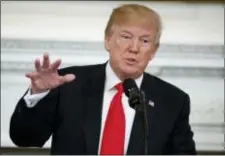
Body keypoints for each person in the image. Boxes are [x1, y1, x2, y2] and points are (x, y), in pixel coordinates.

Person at [9, 3, 196, 155]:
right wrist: (40, 94)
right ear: (108, 40)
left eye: (145, 41)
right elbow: (25, 139)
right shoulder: (68, 83)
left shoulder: (173, 101)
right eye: (126, 37)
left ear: (154, 51)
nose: (134, 48)